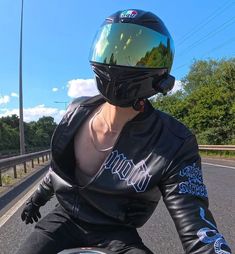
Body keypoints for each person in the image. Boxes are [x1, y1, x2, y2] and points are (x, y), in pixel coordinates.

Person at [17, 9, 231, 254]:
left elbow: (199, 228)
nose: (118, 62)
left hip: (115, 231)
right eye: (113, 50)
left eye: (138, 55)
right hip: (64, 218)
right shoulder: (76, 111)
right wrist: (37, 199)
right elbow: (59, 167)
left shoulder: (174, 141)